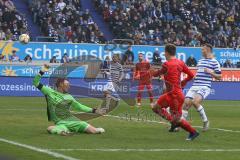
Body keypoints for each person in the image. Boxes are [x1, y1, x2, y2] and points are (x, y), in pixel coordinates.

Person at [33, 64, 106, 135]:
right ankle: (63, 131)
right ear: (61, 84)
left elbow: (79, 106)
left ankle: (93, 130)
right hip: (61, 123)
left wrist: (95, 111)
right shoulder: (49, 92)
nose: (69, 87)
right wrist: (42, 71)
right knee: (49, 128)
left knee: (93, 131)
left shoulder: (69, 97)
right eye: (67, 85)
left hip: (73, 121)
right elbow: (36, 82)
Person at [151, 43, 198, 140]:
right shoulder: (180, 63)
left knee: (177, 119)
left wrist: (150, 71)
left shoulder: (166, 64)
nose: (164, 54)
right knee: (155, 108)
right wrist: (183, 82)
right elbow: (191, 75)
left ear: (166, 53)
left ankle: (193, 132)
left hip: (175, 96)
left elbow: (156, 74)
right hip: (172, 93)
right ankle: (173, 123)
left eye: (164, 52)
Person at [182, 44, 222, 131]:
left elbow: (219, 77)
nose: (201, 51)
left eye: (202, 50)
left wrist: (210, 72)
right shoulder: (200, 61)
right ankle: (181, 124)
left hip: (204, 86)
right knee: (185, 105)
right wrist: (195, 77)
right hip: (195, 85)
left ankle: (206, 121)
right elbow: (199, 73)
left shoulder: (215, 62)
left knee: (195, 102)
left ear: (207, 50)